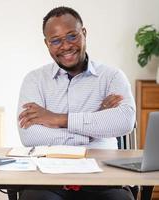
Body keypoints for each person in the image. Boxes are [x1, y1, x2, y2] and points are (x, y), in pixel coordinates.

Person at [17, 6, 136, 200]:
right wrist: (95, 126)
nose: (65, 46)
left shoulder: (112, 76)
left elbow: (124, 122)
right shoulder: (34, 80)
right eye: (55, 40)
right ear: (47, 44)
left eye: (72, 36)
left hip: (103, 177)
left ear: (84, 33)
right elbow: (30, 135)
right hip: (48, 180)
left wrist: (57, 119)